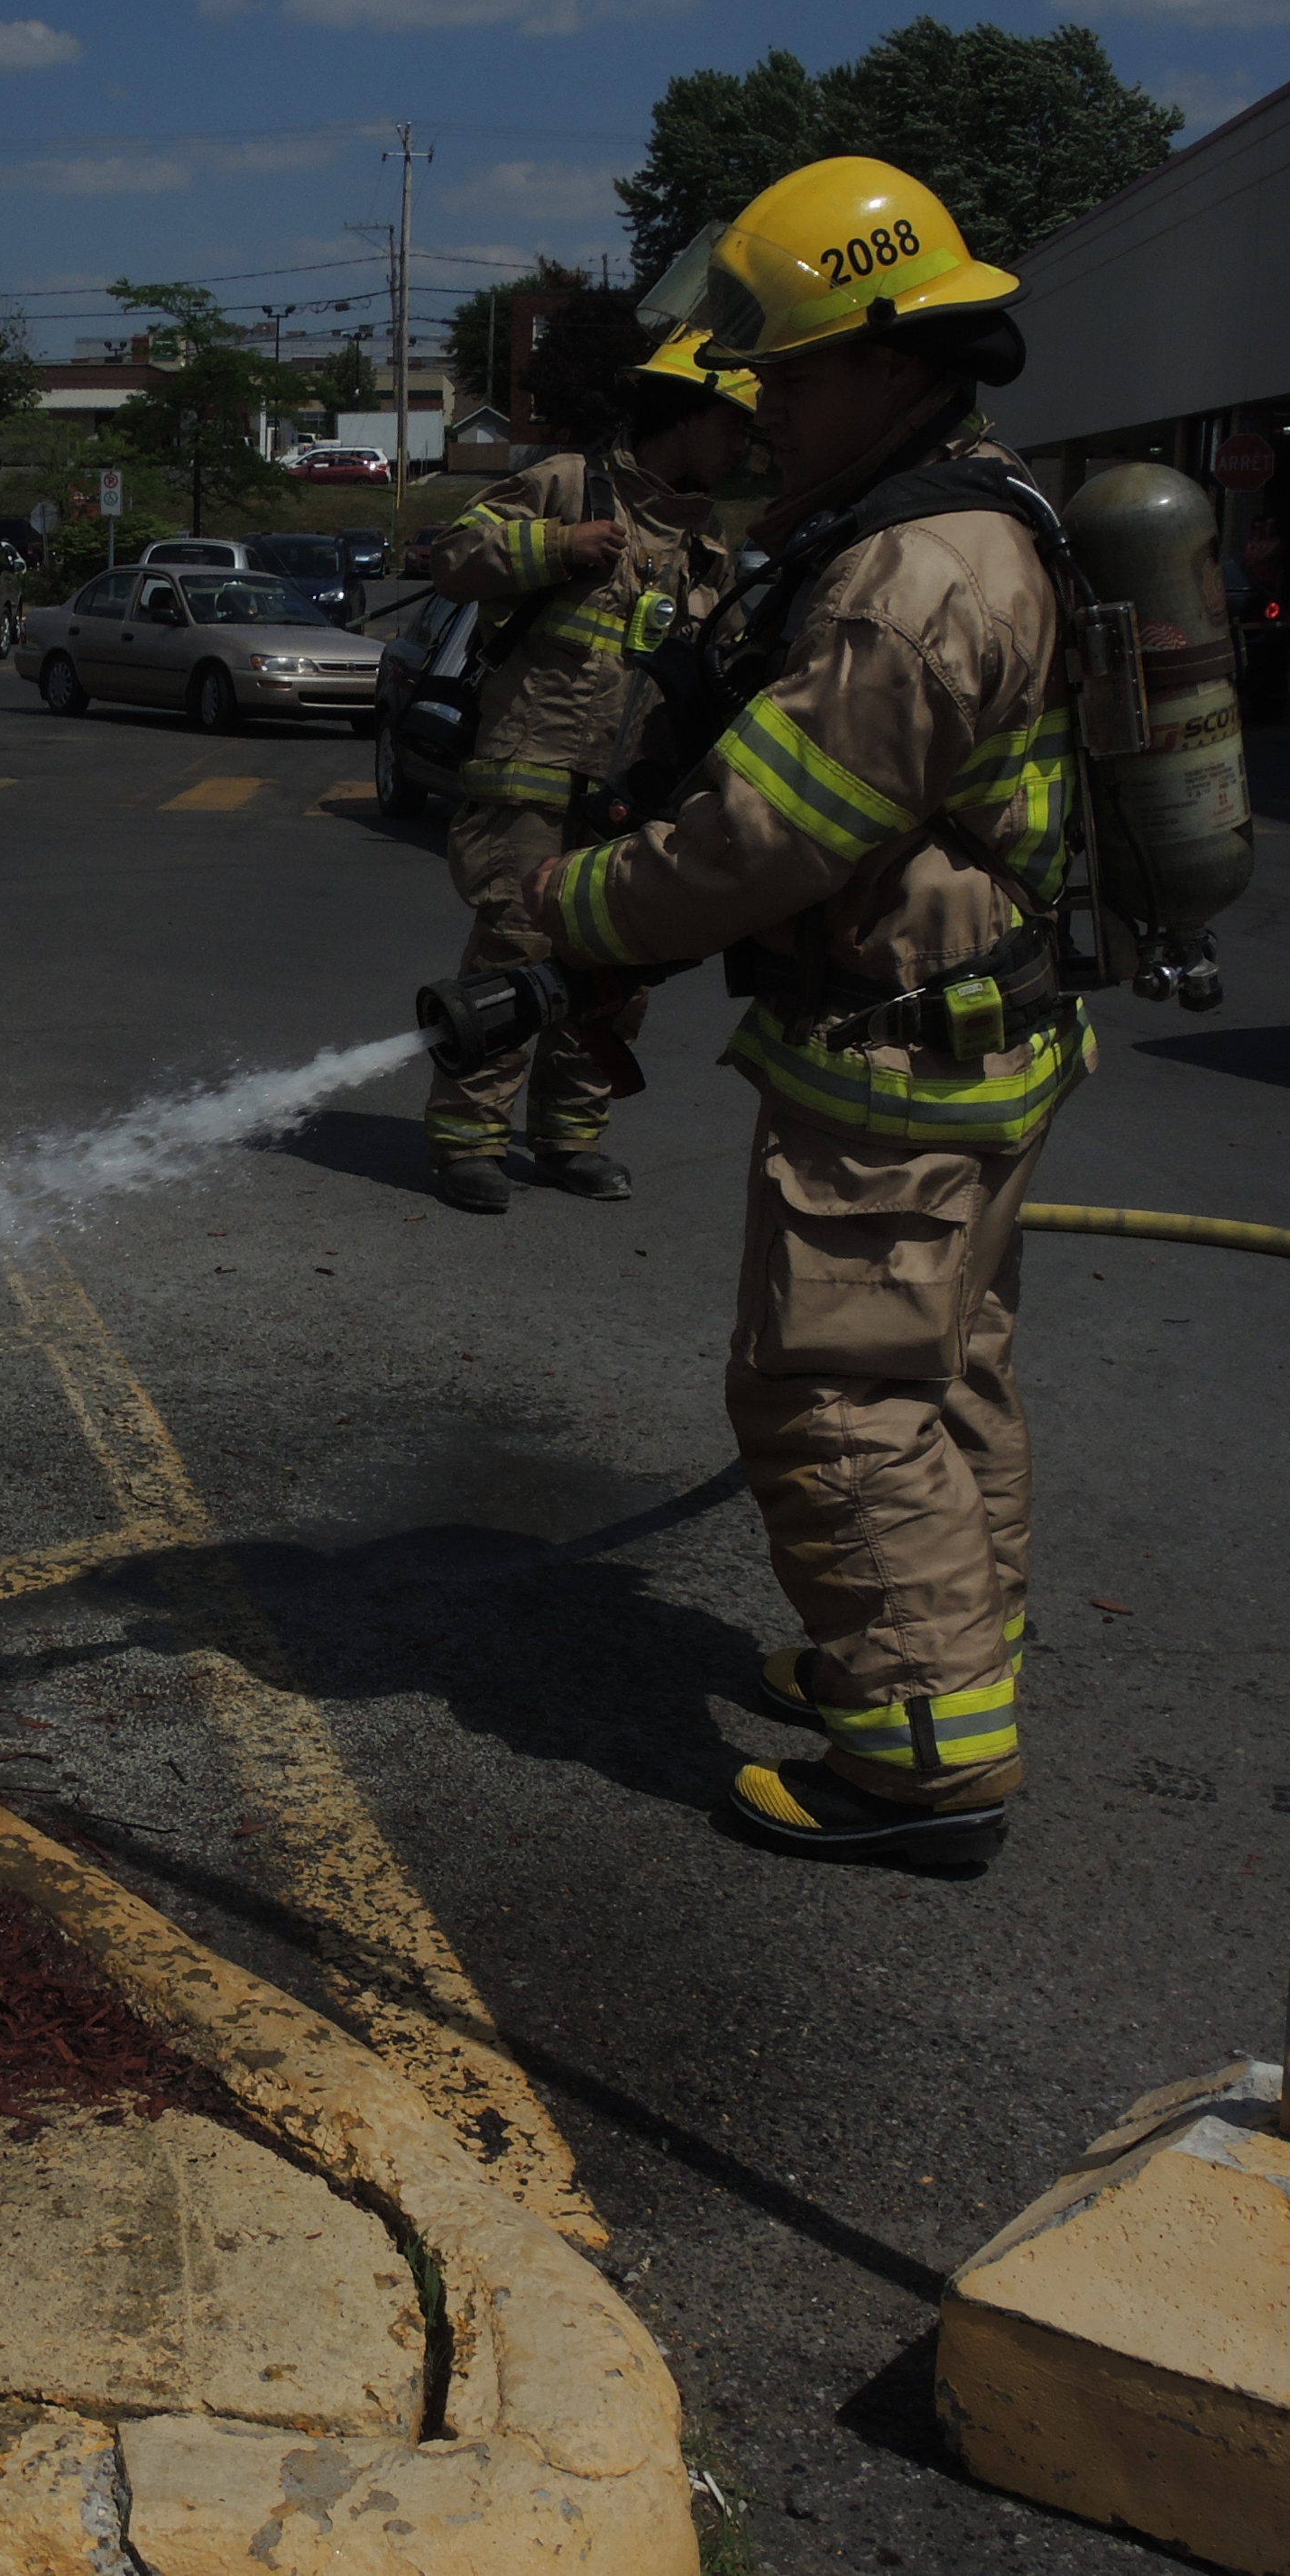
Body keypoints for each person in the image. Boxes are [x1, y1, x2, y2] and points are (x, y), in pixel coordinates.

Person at [525, 157, 1083, 1868]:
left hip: (897, 1056)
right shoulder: (972, 517)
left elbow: (768, 835)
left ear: (888, 354)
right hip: (979, 1033)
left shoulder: (913, 578)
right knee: (945, 1368)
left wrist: (578, 911)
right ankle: (931, 1669)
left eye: (784, 362)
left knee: (834, 1393)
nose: (756, 401)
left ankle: (920, 1766)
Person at [418, 331, 758, 1213]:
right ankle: (467, 1146)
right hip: (527, 785)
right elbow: (452, 556)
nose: (744, 447)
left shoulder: (706, 550)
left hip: (629, 800)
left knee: (612, 965)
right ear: (684, 416)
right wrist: (555, 545)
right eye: (734, 425)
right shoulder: (568, 485)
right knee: (513, 956)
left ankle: (570, 1139)